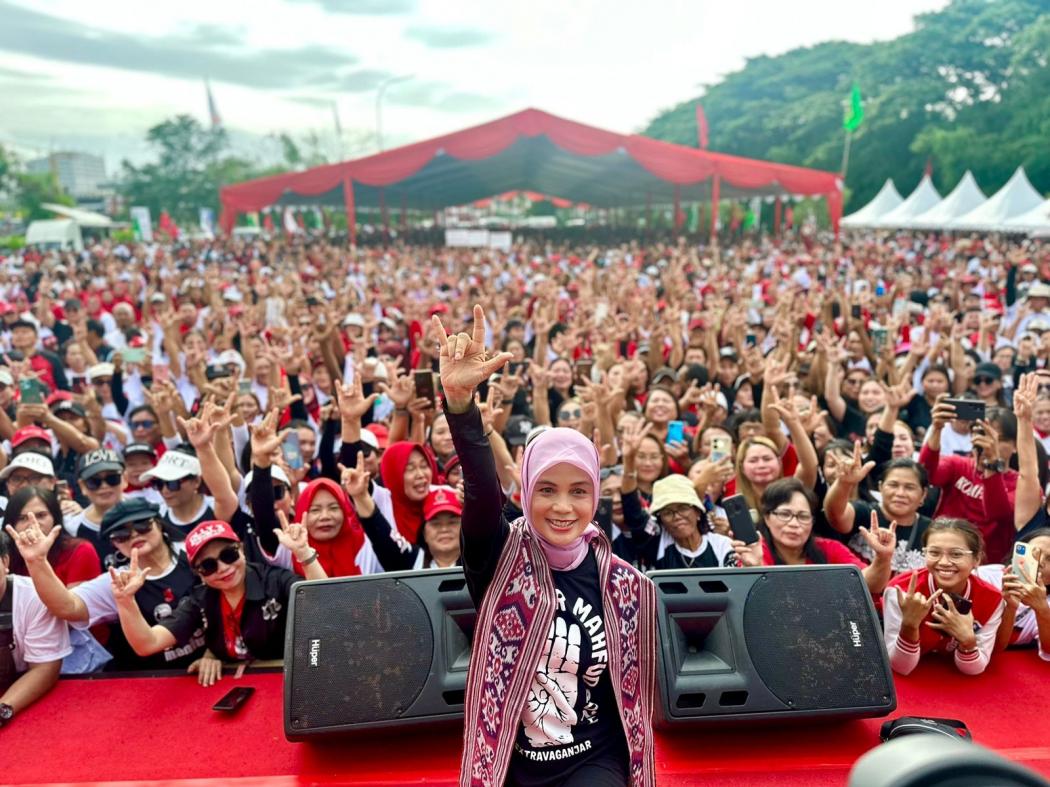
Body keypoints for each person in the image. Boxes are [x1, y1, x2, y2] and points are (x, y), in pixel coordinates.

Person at [439, 305, 656, 787]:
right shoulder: (498, 556)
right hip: (507, 762)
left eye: (579, 491)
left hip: (594, 762)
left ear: (595, 495)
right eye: (547, 489)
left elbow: (628, 702)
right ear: (527, 489)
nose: (563, 507)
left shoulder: (620, 582)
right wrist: (459, 404)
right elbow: (479, 488)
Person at [108, 517, 324, 685]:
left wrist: (303, 553)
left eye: (229, 555)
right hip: (240, 685)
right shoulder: (199, 599)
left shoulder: (274, 580)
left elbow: (326, 604)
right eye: (209, 566)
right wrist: (125, 601)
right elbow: (148, 644)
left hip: (291, 679)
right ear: (199, 573)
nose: (223, 568)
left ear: (241, 549)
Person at [6, 498, 204, 670]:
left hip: (214, 667)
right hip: (151, 680)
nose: (135, 535)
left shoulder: (197, 555)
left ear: (159, 524)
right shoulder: (117, 581)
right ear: (114, 544)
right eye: (121, 534)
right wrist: (37, 562)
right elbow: (67, 607)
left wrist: (213, 654)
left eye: (142, 525)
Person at [735, 477, 897, 596]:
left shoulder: (828, 548)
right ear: (767, 518)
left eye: (803, 516)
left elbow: (868, 583)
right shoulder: (755, 553)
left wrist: (883, 557)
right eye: (785, 514)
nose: (794, 523)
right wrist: (754, 567)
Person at [883, 518, 1004, 675]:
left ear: (977, 559)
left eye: (956, 554)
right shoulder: (900, 591)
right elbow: (900, 667)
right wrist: (909, 626)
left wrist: (967, 641)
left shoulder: (992, 599)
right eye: (934, 553)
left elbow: (974, 670)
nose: (944, 562)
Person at [0, 532, 71, 727]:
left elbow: (44, 668)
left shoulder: (35, 596)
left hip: (20, 687)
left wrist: (3, 709)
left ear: (5, 562)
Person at [824, 449, 932, 573]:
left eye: (909, 487)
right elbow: (835, 515)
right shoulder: (864, 512)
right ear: (880, 487)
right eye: (893, 485)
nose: (900, 493)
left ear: (923, 494)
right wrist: (843, 483)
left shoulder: (930, 530)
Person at [633, 474, 739, 570]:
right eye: (668, 512)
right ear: (662, 521)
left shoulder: (722, 545)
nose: (677, 516)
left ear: (698, 512)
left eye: (683, 508)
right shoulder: (657, 545)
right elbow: (633, 514)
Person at [4, 487, 99, 585]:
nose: (33, 523)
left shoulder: (80, 550)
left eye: (41, 515)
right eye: (22, 518)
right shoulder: (5, 554)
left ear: (55, 517)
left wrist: (38, 561)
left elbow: (75, 600)